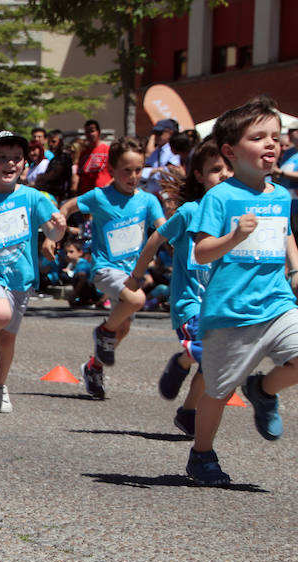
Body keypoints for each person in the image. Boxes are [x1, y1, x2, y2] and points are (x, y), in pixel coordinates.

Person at [184, 96, 298, 486]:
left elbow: (282, 233)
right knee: (216, 391)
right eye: (259, 137)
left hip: (276, 302)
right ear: (230, 151)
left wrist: (296, 269)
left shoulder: (278, 195)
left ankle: (262, 389)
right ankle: (201, 454)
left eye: (275, 137)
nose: (271, 144)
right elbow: (201, 249)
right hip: (230, 310)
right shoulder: (220, 197)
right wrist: (234, 235)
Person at [127, 138, 232, 436]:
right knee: (208, 354)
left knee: (213, 364)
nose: (224, 174)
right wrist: (136, 276)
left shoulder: (235, 216)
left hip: (220, 307)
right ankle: (183, 358)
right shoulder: (190, 212)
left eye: (229, 168)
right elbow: (156, 239)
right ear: (198, 176)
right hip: (190, 305)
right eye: (215, 169)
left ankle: (188, 412)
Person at [0, 130, 66, 413]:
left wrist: (59, 228)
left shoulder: (33, 197)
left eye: (16, 159)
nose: (9, 164)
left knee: (7, 337)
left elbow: (52, 230)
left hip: (21, 277)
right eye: (2, 158)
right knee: (0, 314)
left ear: (25, 164)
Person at [60, 137, 166, 399]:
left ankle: (93, 367)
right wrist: (58, 226)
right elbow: (71, 205)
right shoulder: (100, 197)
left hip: (132, 272)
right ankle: (104, 331)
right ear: (112, 169)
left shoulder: (148, 201)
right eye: (126, 170)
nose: (133, 176)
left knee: (125, 327)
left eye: (138, 170)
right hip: (105, 269)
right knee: (136, 299)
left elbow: (163, 228)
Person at [141, 118, 181, 195]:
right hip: (153, 193)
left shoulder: (174, 151)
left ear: (170, 133)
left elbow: (169, 174)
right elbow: (142, 171)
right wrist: (156, 170)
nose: (156, 136)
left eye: (159, 133)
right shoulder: (156, 152)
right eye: (155, 133)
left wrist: (152, 172)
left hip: (168, 194)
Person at [75, 119, 112, 196]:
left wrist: (109, 185)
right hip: (86, 195)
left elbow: (116, 173)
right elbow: (79, 176)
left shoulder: (107, 150)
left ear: (98, 132)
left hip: (104, 193)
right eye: (87, 132)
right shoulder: (83, 154)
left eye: (92, 131)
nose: (89, 134)